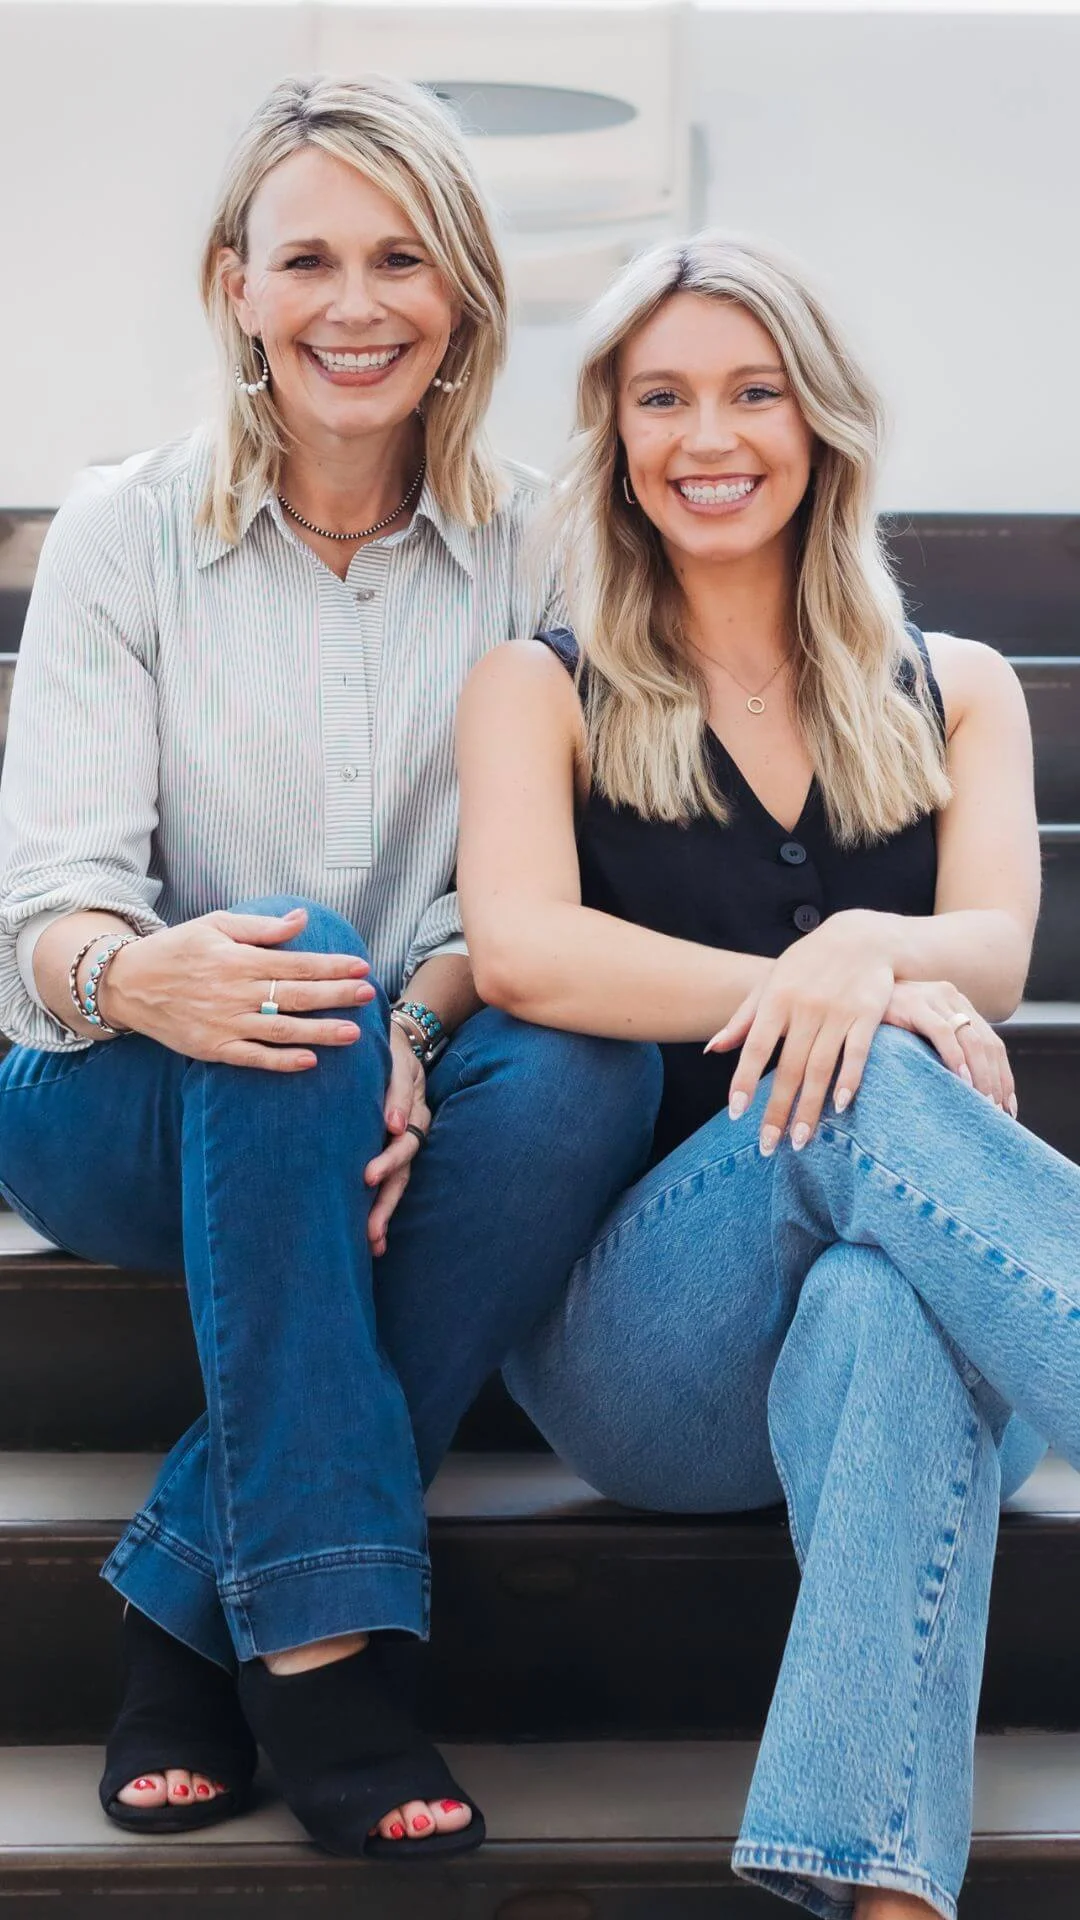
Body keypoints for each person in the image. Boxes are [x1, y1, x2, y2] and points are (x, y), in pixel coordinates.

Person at [0, 73, 658, 1857]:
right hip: (112, 1090)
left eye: (400, 259)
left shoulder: (543, 546)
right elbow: (46, 907)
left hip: (399, 1070)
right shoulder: (124, 528)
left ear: (461, 293)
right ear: (236, 285)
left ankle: (185, 1605)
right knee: (295, 976)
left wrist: (407, 1034)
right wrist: (151, 979)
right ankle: (326, 1660)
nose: (354, 305)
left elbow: (521, 897)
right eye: (306, 260)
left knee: (588, 1065)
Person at [455, 232, 1079, 1920]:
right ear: (615, 435)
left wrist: (864, 951)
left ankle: (878, 1896)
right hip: (648, 1345)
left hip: (939, 1321)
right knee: (853, 1067)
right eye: (662, 398)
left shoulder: (958, 689)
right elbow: (521, 952)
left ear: (822, 422)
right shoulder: (539, 687)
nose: (709, 436)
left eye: (754, 391)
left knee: (886, 1305)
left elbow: (996, 950)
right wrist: (836, 984)